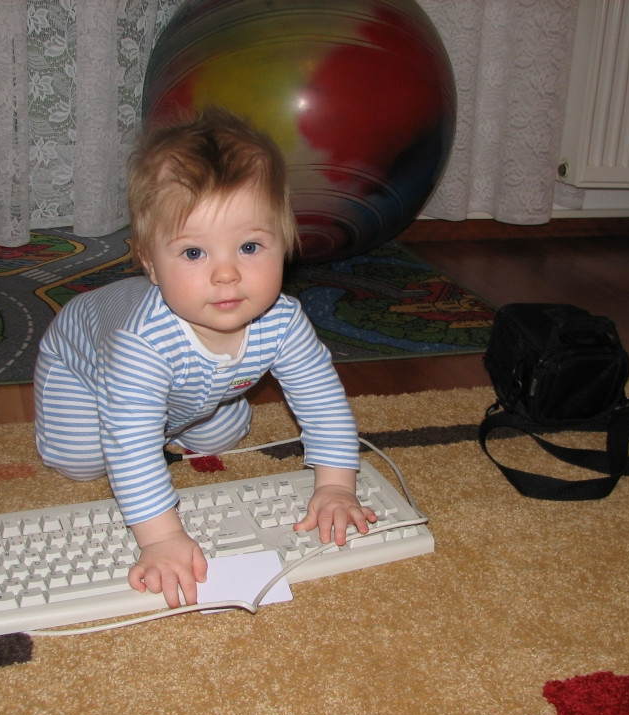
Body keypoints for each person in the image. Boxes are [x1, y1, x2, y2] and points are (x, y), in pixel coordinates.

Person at [34, 107, 375, 609]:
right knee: (81, 460)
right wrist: (162, 538)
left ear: (285, 244)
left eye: (250, 247)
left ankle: (180, 418)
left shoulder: (283, 320)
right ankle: (154, 422)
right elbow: (130, 444)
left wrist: (337, 486)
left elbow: (322, 400)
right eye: (194, 253)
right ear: (151, 263)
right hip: (79, 367)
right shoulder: (141, 344)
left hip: (190, 389)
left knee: (221, 435)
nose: (226, 275)